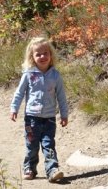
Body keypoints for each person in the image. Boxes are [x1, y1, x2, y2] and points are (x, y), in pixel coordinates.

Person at [10, 36, 69, 182]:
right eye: (38, 54)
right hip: (32, 118)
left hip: (49, 118)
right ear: (32, 57)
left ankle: (52, 170)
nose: (42, 56)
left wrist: (64, 114)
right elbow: (19, 93)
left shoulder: (55, 75)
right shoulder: (29, 74)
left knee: (49, 144)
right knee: (32, 145)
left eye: (45, 53)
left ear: (51, 55)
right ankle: (29, 168)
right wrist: (14, 108)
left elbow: (61, 96)